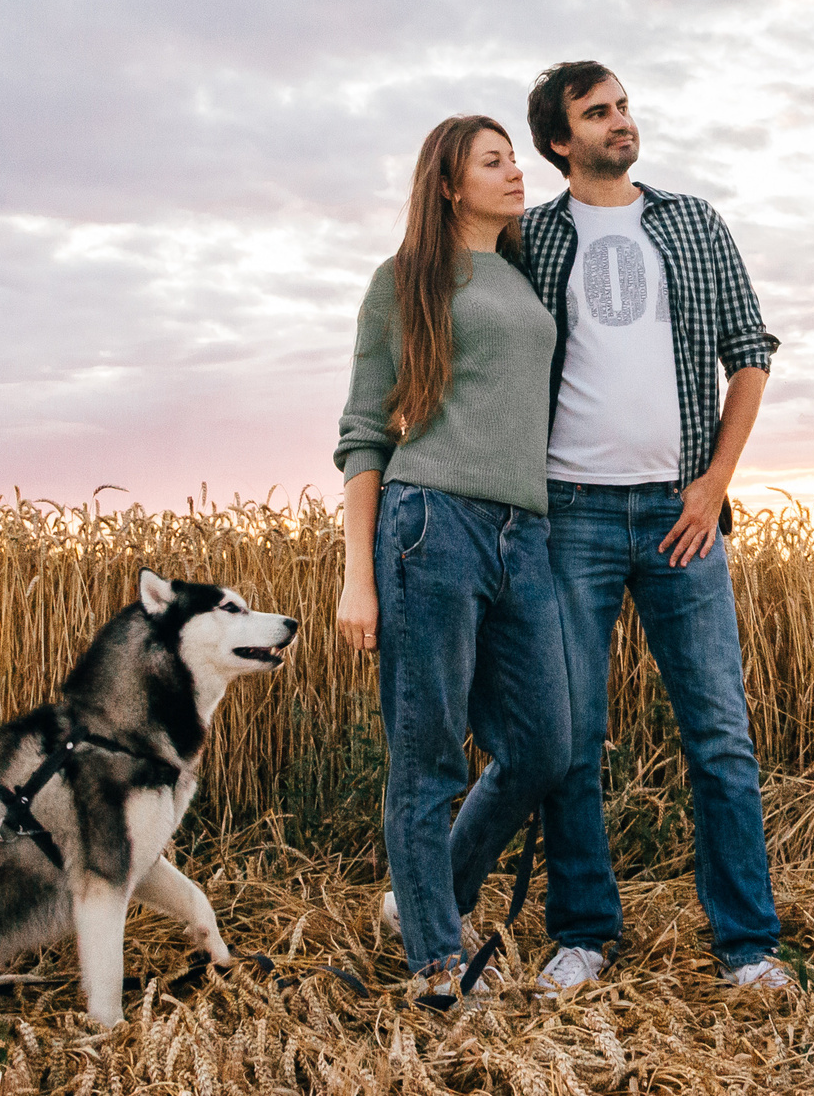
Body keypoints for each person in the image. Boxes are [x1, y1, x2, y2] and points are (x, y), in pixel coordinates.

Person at [516, 62, 788, 994]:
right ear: (560, 141)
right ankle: (584, 931)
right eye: (598, 112)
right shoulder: (533, 240)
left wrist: (713, 484)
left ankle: (749, 944)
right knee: (572, 736)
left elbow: (749, 353)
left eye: (623, 105)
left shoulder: (693, 222)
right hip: (572, 517)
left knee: (719, 732)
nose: (621, 121)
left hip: (683, 514)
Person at [333, 115, 569, 999]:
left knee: (544, 745)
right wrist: (359, 576)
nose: (515, 173)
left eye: (515, 159)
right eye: (494, 161)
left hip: (526, 532)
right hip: (429, 524)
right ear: (447, 182)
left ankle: (425, 896)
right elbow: (363, 432)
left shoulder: (523, 275)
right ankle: (436, 960)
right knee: (427, 756)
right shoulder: (402, 281)